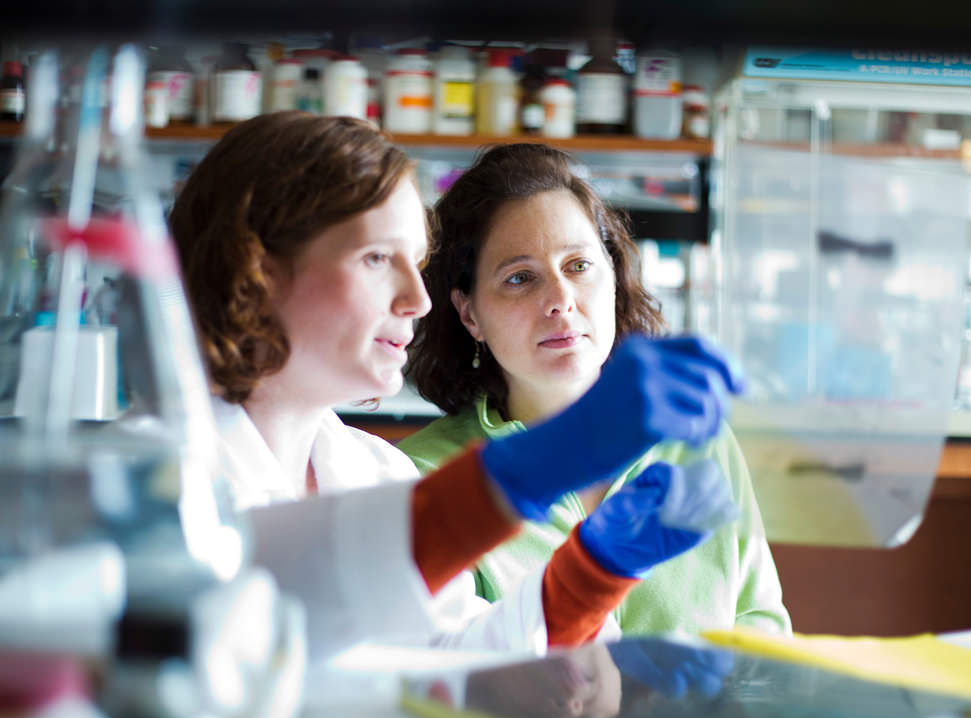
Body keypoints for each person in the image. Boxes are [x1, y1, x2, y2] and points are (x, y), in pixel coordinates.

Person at [168, 113, 747, 661]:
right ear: (256, 270)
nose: (416, 300)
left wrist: (592, 574)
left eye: (414, 263)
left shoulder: (377, 470)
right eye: (376, 258)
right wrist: (536, 466)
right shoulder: (154, 477)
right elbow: (273, 598)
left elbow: (456, 666)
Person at [401, 142, 792, 638]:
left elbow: (761, 625)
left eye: (579, 265)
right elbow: (448, 669)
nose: (560, 300)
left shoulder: (699, 440)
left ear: (613, 276)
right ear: (469, 313)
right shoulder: (428, 477)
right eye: (520, 278)